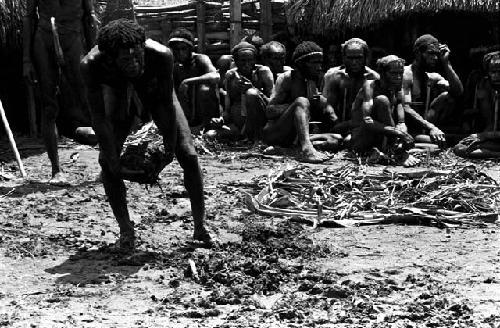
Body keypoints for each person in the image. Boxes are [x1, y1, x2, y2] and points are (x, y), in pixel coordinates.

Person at [80, 19, 212, 250]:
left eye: (136, 57)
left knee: (188, 155)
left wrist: (169, 146)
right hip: (117, 94)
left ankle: (200, 227)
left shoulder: (161, 55)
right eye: (125, 60)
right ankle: (126, 231)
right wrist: (112, 157)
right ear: (110, 59)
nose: (133, 64)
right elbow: (99, 117)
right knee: (106, 164)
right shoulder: (92, 65)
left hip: (155, 93)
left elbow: (165, 104)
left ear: (143, 48)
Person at [23, 0, 98, 184]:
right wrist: (26, 60)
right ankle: (56, 170)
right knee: (49, 107)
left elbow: (90, 16)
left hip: (73, 39)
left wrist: (94, 51)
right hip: (44, 40)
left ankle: (107, 162)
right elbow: (29, 18)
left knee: (89, 100)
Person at [263, 41, 340, 163]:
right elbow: (269, 111)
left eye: (320, 62)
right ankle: (307, 150)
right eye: (314, 63)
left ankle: (288, 151)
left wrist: (322, 104)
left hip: (298, 135)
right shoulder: (287, 79)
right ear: (302, 64)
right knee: (302, 101)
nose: (319, 67)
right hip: (277, 133)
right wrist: (297, 106)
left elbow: (331, 115)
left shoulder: (317, 79)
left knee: (335, 140)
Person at [351, 55, 421, 166]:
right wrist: (398, 133)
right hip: (362, 138)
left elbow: (401, 121)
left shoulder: (397, 89)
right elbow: (367, 120)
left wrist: (403, 131)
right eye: (393, 73)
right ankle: (396, 152)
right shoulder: (370, 86)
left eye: (400, 73)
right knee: (382, 100)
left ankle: (392, 150)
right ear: (382, 73)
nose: (398, 77)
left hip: (382, 138)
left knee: (427, 144)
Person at [403, 34, 463, 135]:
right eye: (430, 53)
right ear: (418, 53)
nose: (435, 58)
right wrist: (431, 127)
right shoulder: (406, 74)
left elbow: (458, 92)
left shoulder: (432, 77)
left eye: (436, 54)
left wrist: (446, 63)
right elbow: (405, 108)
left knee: (447, 97)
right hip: (407, 129)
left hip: (425, 128)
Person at [322, 38, 380, 145]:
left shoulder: (373, 78)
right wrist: (336, 122)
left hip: (363, 125)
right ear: (344, 58)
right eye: (350, 58)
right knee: (335, 141)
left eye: (358, 58)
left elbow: (373, 110)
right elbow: (329, 105)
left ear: (365, 58)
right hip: (339, 124)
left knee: (349, 141)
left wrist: (352, 125)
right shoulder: (336, 77)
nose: (354, 62)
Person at [216, 41, 274, 141]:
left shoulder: (263, 72)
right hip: (238, 126)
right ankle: (242, 136)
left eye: (250, 60)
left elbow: (272, 104)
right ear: (235, 61)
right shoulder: (231, 76)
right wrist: (221, 119)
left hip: (260, 124)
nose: (247, 64)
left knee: (251, 94)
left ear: (255, 60)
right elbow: (228, 109)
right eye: (242, 60)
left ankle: (256, 139)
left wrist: (254, 91)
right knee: (210, 135)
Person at [167, 28, 220, 131]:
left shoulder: (200, 59)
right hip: (186, 108)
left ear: (190, 48)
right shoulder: (173, 65)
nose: (180, 53)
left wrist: (188, 81)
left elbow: (215, 76)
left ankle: (206, 126)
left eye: (183, 49)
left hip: (204, 110)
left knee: (204, 89)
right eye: (176, 50)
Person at [454, 51, 500, 158]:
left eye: (499, 72)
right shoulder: (487, 88)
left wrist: (484, 135)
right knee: (460, 148)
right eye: (493, 72)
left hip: (492, 137)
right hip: (494, 139)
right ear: (488, 73)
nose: (497, 76)